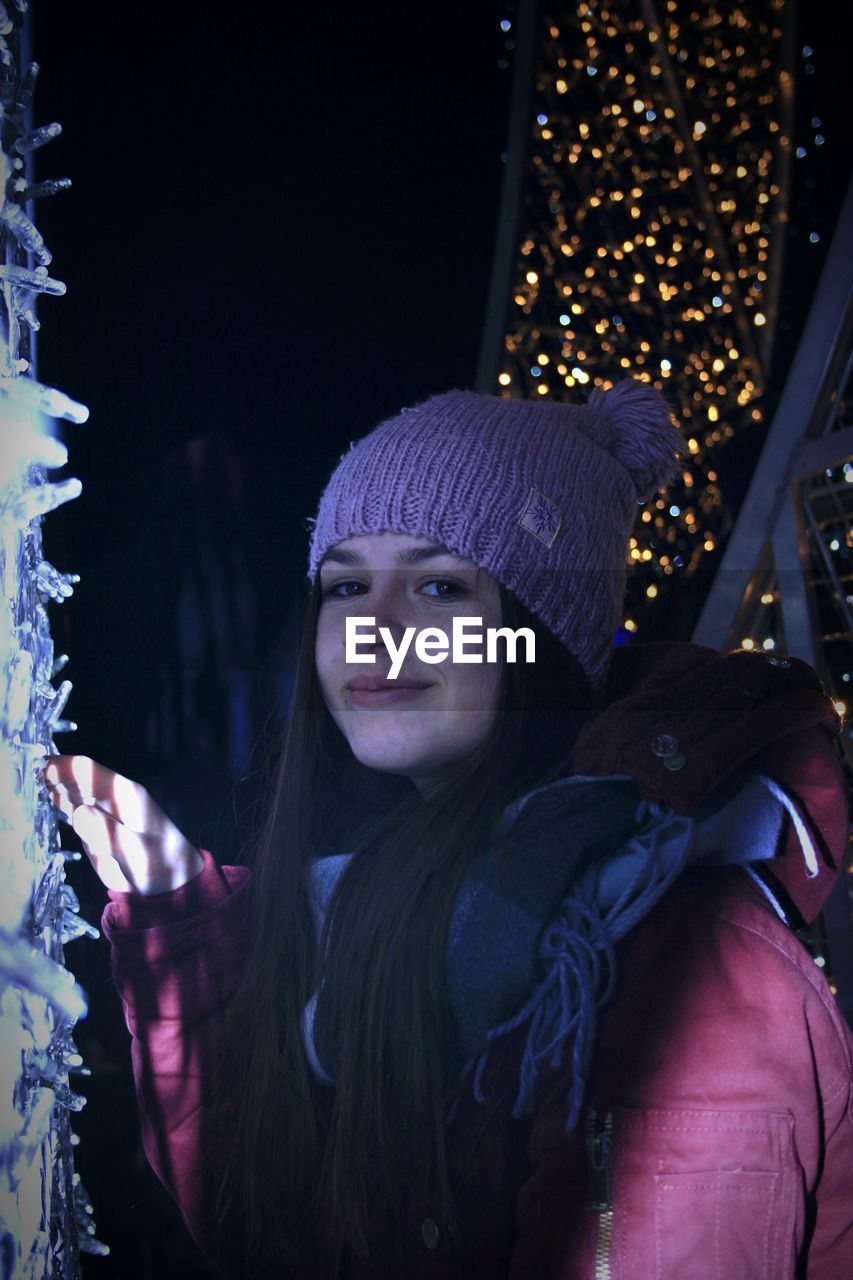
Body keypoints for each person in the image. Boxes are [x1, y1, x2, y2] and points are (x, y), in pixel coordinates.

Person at [43, 381, 852, 1279]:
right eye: (346, 585)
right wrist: (180, 909)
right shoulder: (393, 897)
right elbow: (270, 1231)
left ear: (535, 634)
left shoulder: (680, 962)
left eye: (438, 586)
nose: (374, 630)